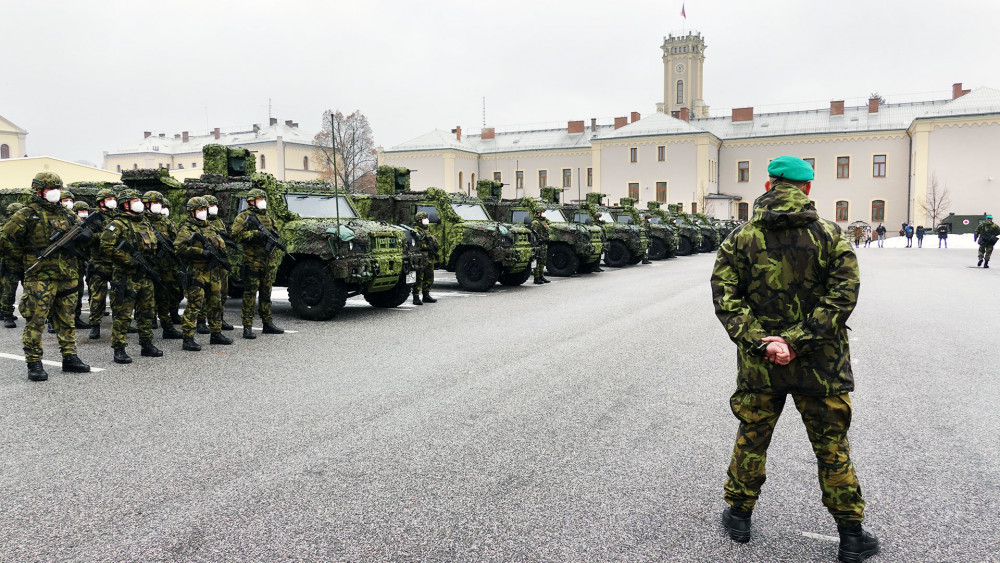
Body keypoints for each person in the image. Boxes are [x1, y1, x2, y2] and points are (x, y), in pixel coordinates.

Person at [710, 156, 878, 562]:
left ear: (768, 186)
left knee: (752, 438)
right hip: (821, 366)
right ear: (806, 189)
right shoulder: (830, 237)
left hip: (760, 365)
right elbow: (842, 298)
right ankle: (851, 536)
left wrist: (767, 344)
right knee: (831, 446)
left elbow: (726, 299)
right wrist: (798, 342)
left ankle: (738, 517)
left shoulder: (739, 238)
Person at [0, 172, 91, 381]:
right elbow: (5, 239)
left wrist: (86, 237)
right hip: (40, 276)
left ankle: (70, 357)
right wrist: (24, 257)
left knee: (67, 319)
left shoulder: (66, 214)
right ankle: (34, 362)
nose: (55, 192)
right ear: (39, 191)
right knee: (36, 320)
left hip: (67, 274)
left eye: (57, 188)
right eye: (50, 188)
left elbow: (83, 234)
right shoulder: (27, 214)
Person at [101, 189, 163, 364]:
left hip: (145, 276)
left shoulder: (145, 222)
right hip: (126, 276)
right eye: (134, 200)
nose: (139, 203)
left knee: (147, 312)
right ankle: (119, 349)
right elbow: (106, 246)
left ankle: (146, 344)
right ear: (125, 204)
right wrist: (128, 260)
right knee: (123, 314)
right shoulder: (117, 224)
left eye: (139, 200)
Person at [175, 196, 232, 350]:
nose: (203, 212)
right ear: (192, 212)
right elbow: (179, 248)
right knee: (194, 305)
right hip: (197, 272)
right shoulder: (186, 229)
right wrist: (201, 252)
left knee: (216, 303)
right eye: (199, 210)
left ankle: (216, 333)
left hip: (213, 272)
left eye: (204, 209)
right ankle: (187, 338)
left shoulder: (211, 228)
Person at [230, 188, 285, 338]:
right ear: (252, 201)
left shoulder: (269, 218)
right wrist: (255, 234)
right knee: (250, 295)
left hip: (268, 263)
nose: (263, 202)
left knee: (266, 294)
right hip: (252, 262)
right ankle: (247, 326)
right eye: (260, 199)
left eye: (263, 199)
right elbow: (235, 236)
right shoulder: (243, 217)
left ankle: (267, 323)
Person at [143, 191, 183, 340]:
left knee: (165, 296)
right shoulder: (142, 222)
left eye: (159, 203)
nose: (158, 206)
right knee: (148, 297)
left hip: (166, 266)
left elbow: (176, 240)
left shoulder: (166, 222)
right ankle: (148, 327)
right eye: (154, 203)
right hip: (149, 265)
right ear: (146, 205)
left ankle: (167, 327)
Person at [198, 194, 234, 334]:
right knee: (204, 295)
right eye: (211, 205)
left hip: (220, 262)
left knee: (222, 293)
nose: (214, 208)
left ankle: (219, 318)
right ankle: (201, 321)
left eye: (215, 205)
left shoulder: (218, 221)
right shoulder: (200, 223)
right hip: (207, 264)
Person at [86, 188, 118, 339]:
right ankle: (95, 325)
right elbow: (88, 237)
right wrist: (105, 235)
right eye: (108, 198)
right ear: (101, 202)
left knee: (119, 295)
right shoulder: (93, 218)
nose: (112, 201)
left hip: (115, 261)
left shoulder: (118, 216)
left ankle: (119, 323)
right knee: (98, 297)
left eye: (113, 198)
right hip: (98, 262)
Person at [1, 202, 25, 328]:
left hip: (26, 264)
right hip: (11, 265)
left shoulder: (26, 228)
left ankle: (30, 312)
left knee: (31, 291)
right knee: (9, 291)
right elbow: (5, 247)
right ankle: (7, 315)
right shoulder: (5, 229)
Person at [410, 211, 439, 305]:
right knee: (419, 276)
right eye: (424, 218)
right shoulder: (416, 231)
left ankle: (426, 294)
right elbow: (416, 244)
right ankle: (416, 296)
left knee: (429, 276)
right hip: (421, 256)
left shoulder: (426, 230)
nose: (426, 220)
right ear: (419, 220)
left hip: (429, 256)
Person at [530, 207, 551, 284]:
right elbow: (534, 234)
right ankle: (536, 277)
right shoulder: (535, 222)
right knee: (537, 261)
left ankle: (541, 276)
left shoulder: (544, 221)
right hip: (538, 244)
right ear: (538, 213)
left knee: (543, 261)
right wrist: (541, 239)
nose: (544, 213)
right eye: (542, 212)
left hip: (544, 244)